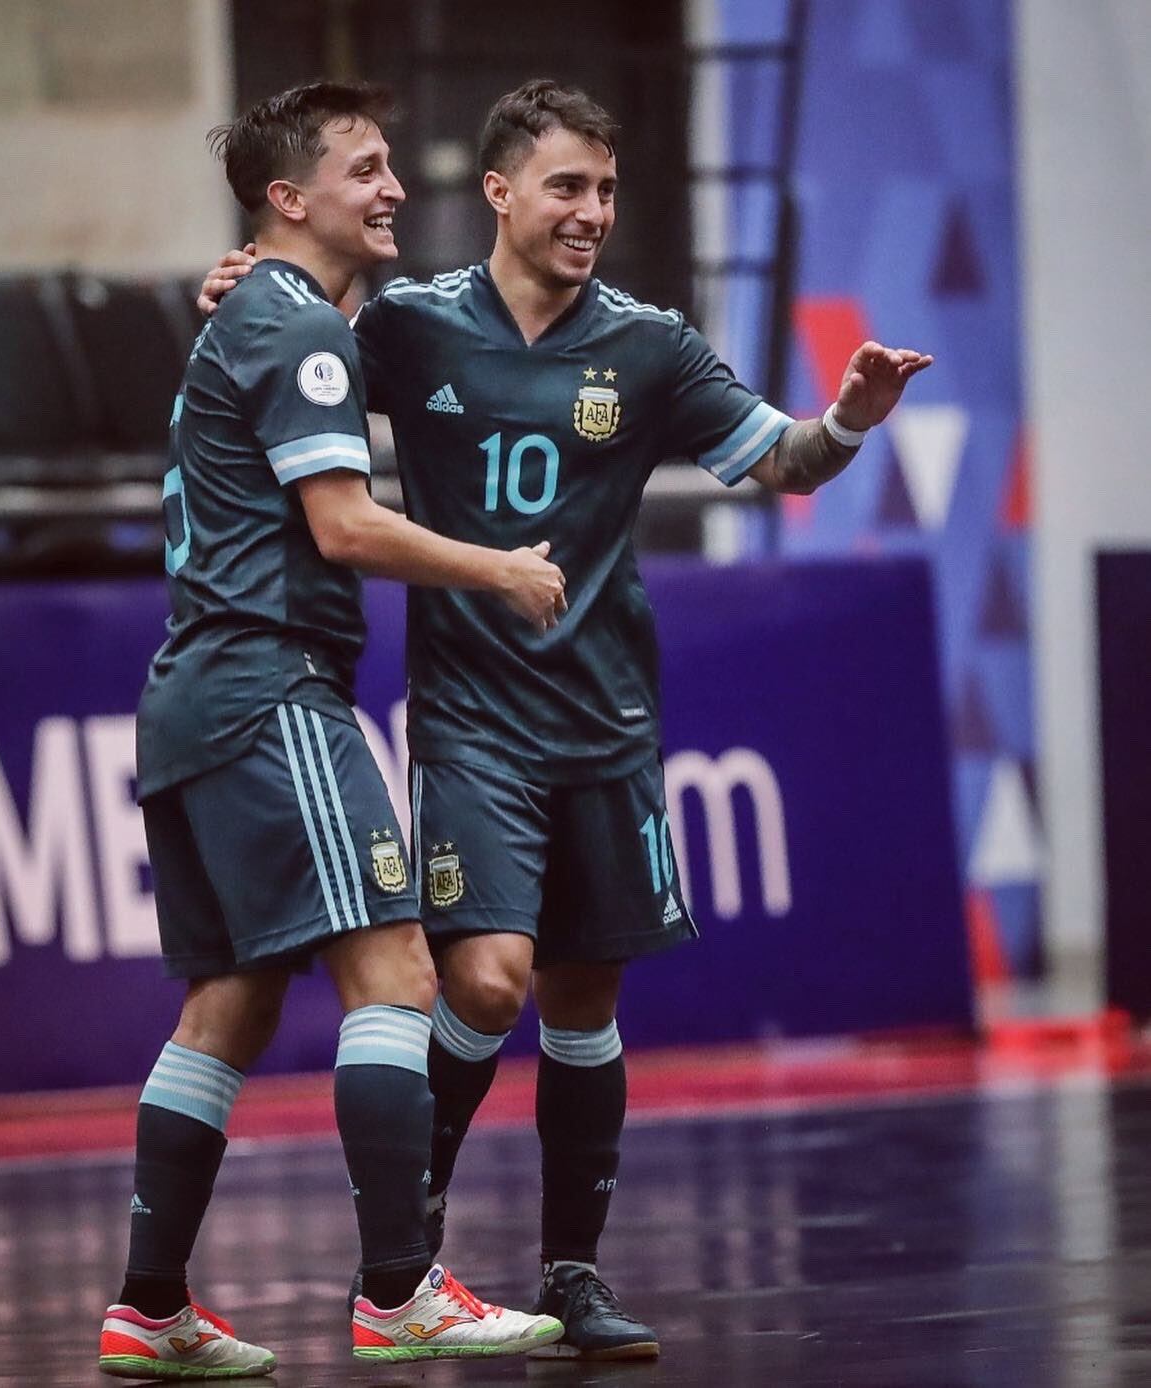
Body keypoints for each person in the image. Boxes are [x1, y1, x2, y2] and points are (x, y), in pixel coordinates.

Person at [197, 77, 932, 1362]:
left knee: (585, 1003)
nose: (592, 211)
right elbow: (288, 356)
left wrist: (851, 418)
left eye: (605, 189)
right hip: (472, 716)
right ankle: (406, 1243)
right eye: (566, 188)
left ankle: (574, 1270)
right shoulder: (411, 326)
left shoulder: (648, 343)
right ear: (498, 193)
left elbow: (779, 462)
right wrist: (238, 282)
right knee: (484, 976)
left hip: (608, 717)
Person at [98, 82, 569, 1380]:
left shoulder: (270, 312)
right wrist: (502, 569)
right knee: (398, 972)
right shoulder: (295, 327)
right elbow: (345, 530)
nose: (393, 188)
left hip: (192, 694)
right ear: (286, 199)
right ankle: (397, 1293)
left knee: (229, 1010)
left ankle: (147, 1308)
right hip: (269, 688)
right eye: (363, 169)